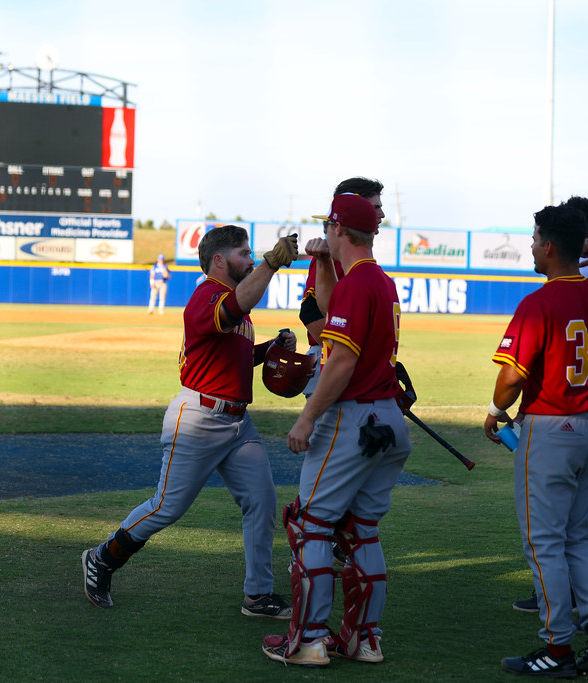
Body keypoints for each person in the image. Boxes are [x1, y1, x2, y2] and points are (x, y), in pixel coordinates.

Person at [81, 227, 299, 617]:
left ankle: (258, 595)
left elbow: (234, 356)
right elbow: (234, 308)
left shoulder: (231, 303)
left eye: (253, 254)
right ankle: (101, 558)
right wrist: (270, 264)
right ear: (219, 260)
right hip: (198, 419)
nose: (250, 259)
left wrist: (270, 349)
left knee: (262, 501)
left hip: (237, 422)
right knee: (167, 507)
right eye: (243, 253)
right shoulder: (207, 297)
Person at [483, 204, 588, 677]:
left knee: (544, 542)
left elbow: (512, 378)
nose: (532, 247)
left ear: (550, 246)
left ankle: (557, 649)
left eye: (536, 239)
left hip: (553, 430)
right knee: (578, 535)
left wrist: (495, 413)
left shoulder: (539, 303)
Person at [262, 193, 411, 667]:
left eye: (329, 226)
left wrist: (308, 417)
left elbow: (341, 359)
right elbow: (331, 313)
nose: (325, 231)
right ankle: (364, 639)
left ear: (340, 228)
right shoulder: (377, 280)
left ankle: (307, 641)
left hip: (352, 419)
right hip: (388, 419)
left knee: (311, 527)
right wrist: (324, 262)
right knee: (362, 530)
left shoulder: (358, 285)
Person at [511, 195, 588, 613]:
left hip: (573, 410)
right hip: (584, 404)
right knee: (574, 520)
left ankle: (585, 595)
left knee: (571, 522)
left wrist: (501, 409)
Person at [298, 177, 385, 398]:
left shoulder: (354, 256)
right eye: (376, 208)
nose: (382, 215)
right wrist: (347, 357)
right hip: (332, 360)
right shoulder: (334, 255)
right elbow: (310, 310)